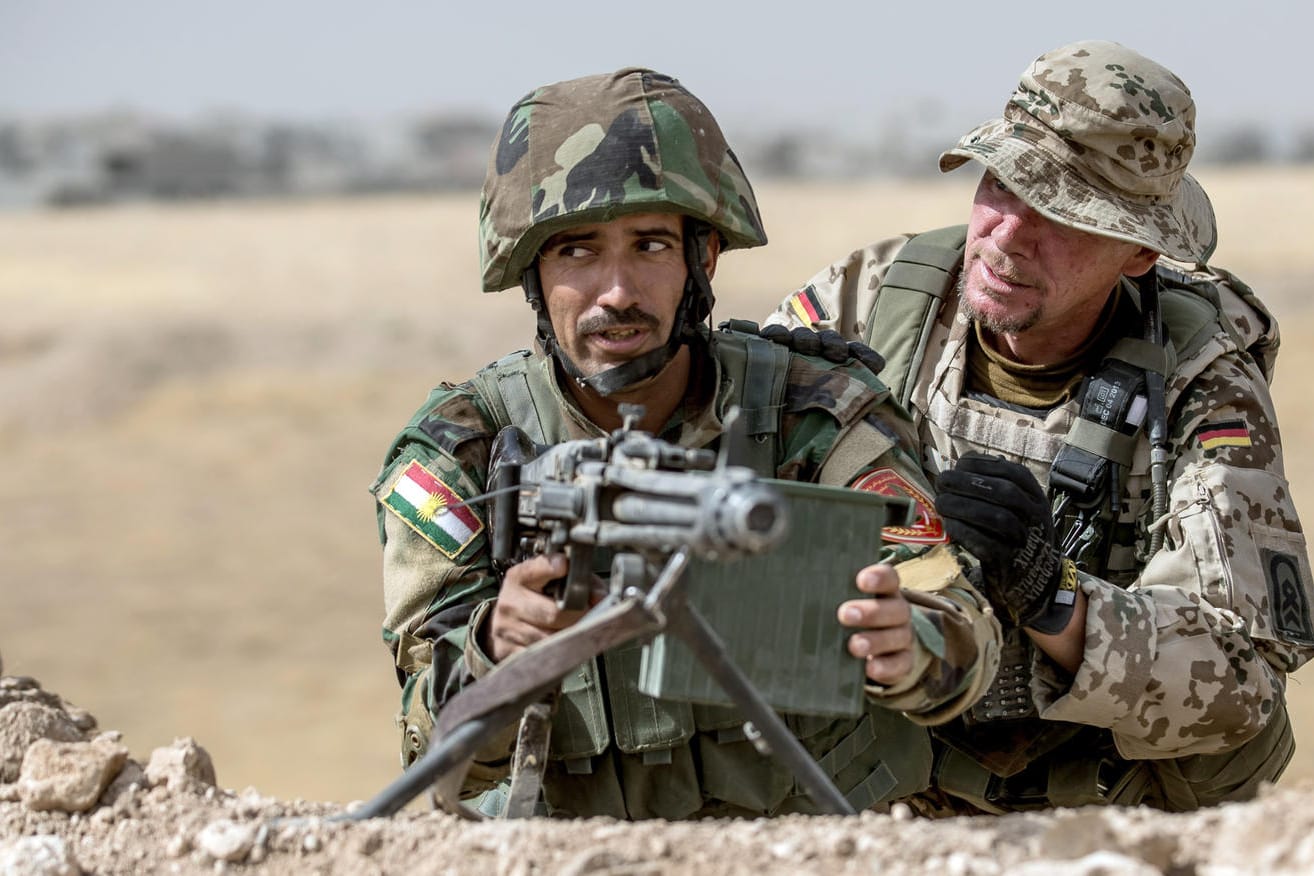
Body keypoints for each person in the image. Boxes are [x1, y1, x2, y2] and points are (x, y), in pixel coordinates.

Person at [369, 68, 1001, 820]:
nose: (616, 292)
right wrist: (497, 651)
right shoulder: (466, 451)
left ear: (702, 261)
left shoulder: (817, 414)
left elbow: (958, 623)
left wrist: (914, 645)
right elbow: (430, 748)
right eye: (576, 251)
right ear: (532, 273)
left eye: (650, 246)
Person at [764, 40, 1313, 814]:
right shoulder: (880, 299)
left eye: (1062, 215)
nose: (1009, 234)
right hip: (875, 786)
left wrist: (1052, 596)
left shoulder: (1202, 381)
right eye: (1002, 183)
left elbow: (1242, 679)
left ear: (1138, 252)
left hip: (1088, 816)